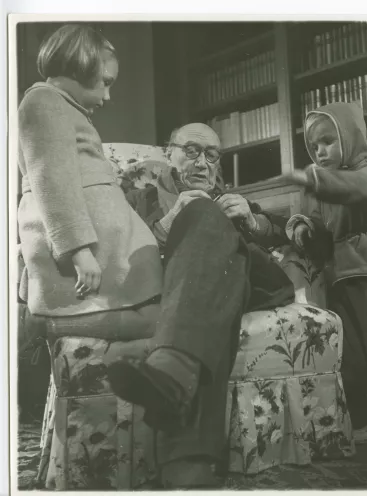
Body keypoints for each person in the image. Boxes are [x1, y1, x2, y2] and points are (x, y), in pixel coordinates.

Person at [108, 122, 296, 487]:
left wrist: (252, 220)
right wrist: (167, 223)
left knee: (206, 215)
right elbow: (119, 253)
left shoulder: (229, 197)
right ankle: (187, 461)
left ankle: (173, 375)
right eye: (191, 151)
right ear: (168, 153)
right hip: (194, 290)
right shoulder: (138, 200)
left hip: (255, 282)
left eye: (212, 155)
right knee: (208, 313)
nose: (202, 164)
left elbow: (287, 229)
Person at [283, 102, 367, 458]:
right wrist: (302, 226)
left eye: (328, 141)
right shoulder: (325, 182)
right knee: (356, 354)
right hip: (340, 271)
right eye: (314, 147)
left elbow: (359, 189)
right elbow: (314, 218)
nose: (320, 151)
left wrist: (314, 179)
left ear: (350, 137)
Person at [18, 24, 164, 343]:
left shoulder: (62, 107)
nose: (108, 96)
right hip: (85, 257)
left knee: (157, 318)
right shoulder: (43, 102)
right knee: (154, 321)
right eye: (105, 82)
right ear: (82, 63)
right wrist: (79, 252)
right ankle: (42, 328)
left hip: (106, 255)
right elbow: (51, 181)